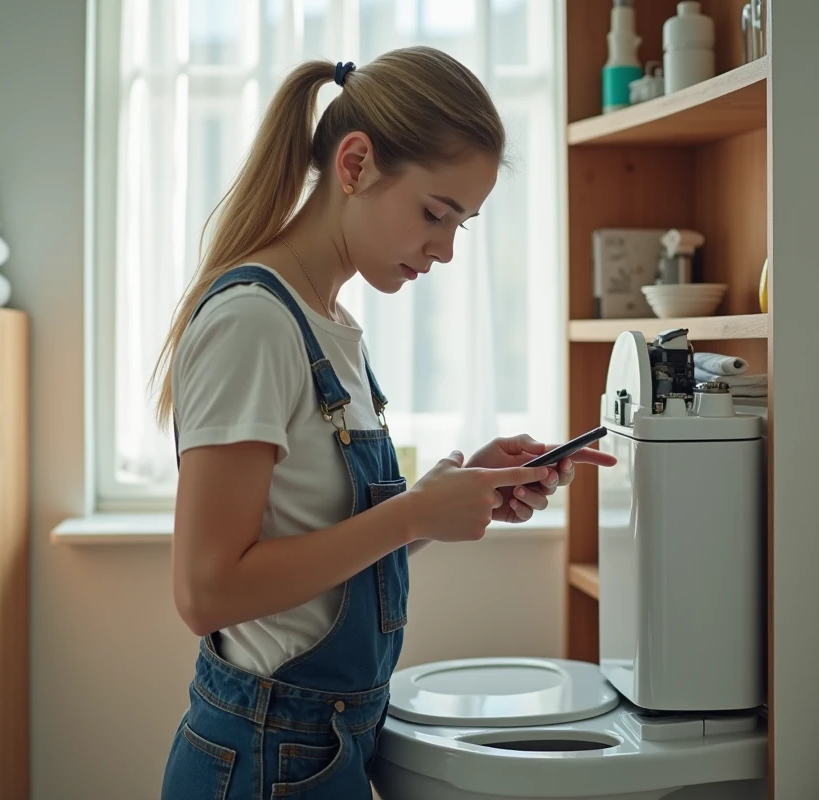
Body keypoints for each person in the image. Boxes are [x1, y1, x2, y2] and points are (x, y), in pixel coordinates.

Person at [154, 46, 616, 799]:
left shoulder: (330, 326)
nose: (444, 249)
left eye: (462, 225)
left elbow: (318, 545)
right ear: (356, 163)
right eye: (436, 214)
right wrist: (409, 516)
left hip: (324, 745)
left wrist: (449, 499)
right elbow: (206, 591)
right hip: (266, 755)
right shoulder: (254, 323)